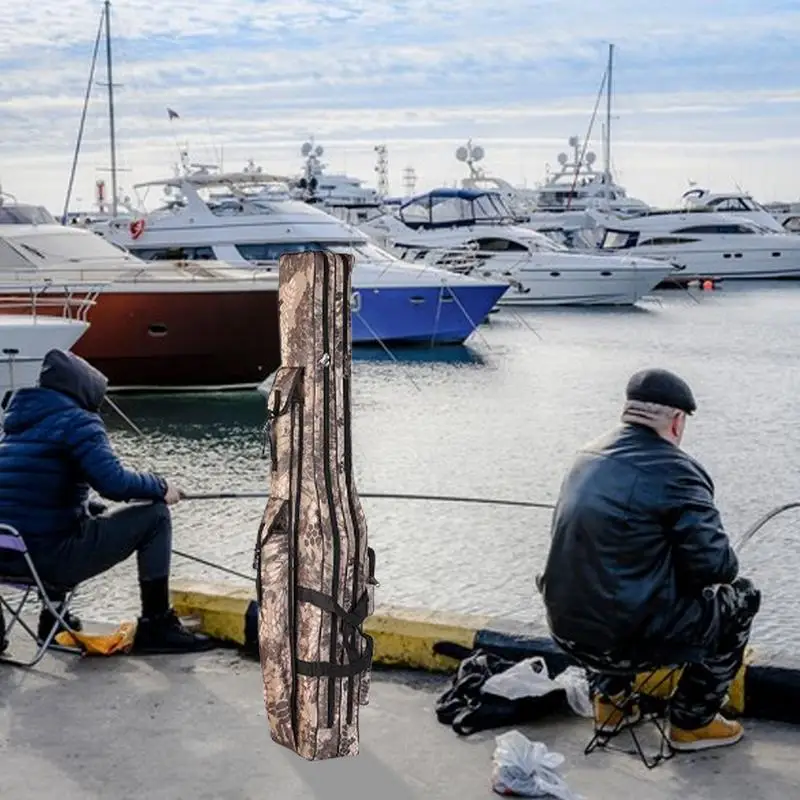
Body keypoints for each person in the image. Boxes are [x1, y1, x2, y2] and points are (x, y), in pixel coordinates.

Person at [537, 367, 760, 752]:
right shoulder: (679, 472)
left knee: (606, 579)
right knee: (742, 598)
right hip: (626, 642)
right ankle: (693, 722)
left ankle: (611, 704)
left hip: (567, 630)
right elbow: (718, 568)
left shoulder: (585, 456)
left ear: (629, 411)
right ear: (677, 421)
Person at [0, 348, 215, 654]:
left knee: (72, 521)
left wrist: (86, 507)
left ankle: (53, 619)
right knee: (155, 517)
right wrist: (161, 486)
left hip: (8, 558)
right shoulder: (77, 421)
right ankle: (156, 625)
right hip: (49, 561)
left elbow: (32, 498)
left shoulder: (15, 428)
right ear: (83, 390)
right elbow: (113, 483)